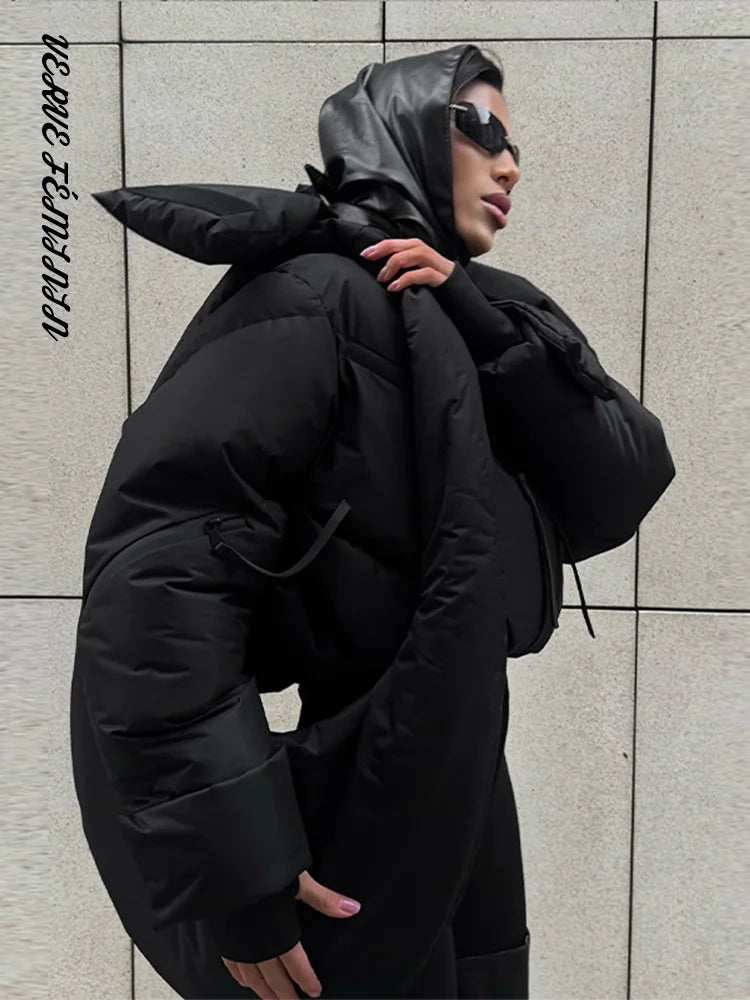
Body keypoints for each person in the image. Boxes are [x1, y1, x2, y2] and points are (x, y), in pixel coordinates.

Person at [71, 43, 676, 1000]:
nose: (509, 166)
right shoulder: (312, 299)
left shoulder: (465, 318)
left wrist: (481, 322)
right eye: (480, 130)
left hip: (458, 781)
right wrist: (238, 870)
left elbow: (623, 481)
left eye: (515, 147)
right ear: (399, 131)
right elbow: (159, 586)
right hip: (348, 806)